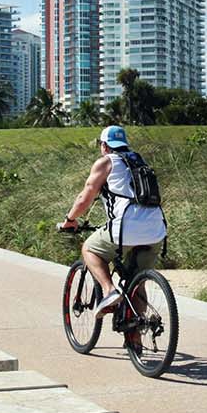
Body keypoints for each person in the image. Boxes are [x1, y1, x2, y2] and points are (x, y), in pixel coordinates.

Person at [56, 125, 166, 332]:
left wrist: (69, 220)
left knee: (89, 249)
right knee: (137, 282)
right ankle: (135, 337)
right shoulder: (139, 160)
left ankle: (108, 291)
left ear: (104, 145)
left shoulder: (106, 162)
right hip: (156, 228)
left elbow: (85, 197)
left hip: (126, 228)